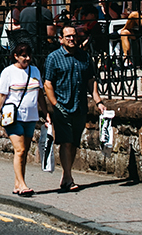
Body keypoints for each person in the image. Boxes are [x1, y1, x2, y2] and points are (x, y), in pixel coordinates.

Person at [45, 23, 107, 192]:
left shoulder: (84, 57)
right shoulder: (53, 58)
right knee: (65, 142)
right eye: (68, 36)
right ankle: (68, 177)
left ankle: (66, 175)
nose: (72, 39)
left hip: (79, 106)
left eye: (74, 36)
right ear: (61, 39)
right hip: (62, 107)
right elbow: (48, 83)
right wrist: (55, 105)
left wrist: (98, 101)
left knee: (74, 143)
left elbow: (90, 81)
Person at [0, 42, 47, 197]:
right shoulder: (8, 72)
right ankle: (22, 184)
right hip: (13, 117)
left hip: (31, 116)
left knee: (24, 151)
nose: (27, 59)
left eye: (29, 55)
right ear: (15, 56)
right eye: (23, 56)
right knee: (20, 150)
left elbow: (40, 94)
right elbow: (1, 95)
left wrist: (46, 113)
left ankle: (17, 183)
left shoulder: (34, 70)